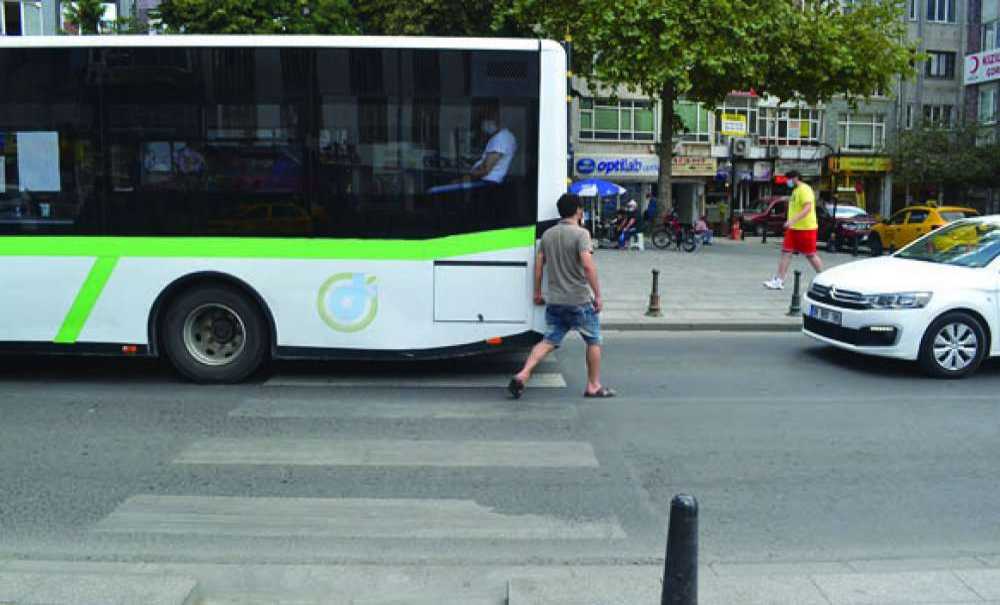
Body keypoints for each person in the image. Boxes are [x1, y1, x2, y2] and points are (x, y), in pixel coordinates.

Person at [509, 193, 614, 399]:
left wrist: (537, 292)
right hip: (579, 300)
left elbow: (539, 266)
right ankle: (593, 385)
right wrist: (598, 295)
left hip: (555, 301)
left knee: (548, 341)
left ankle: (523, 373)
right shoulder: (581, 234)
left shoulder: (548, 235)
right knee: (593, 341)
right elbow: (587, 265)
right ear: (578, 210)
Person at [763, 170, 823, 289]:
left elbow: (807, 208)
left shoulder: (805, 189)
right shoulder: (796, 191)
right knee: (786, 252)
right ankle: (779, 280)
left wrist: (792, 221)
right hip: (794, 229)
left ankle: (824, 277)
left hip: (806, 228)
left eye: (788, 179)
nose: (787, 182)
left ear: (795, 178)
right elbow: (795, 203)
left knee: (810, 255)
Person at [463, 105, 517, 186]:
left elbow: (486, 169)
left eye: (486, 120)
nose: (483, 124)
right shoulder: (502, 136)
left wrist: (469, 174)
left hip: (489, 184)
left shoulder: (501, 138)